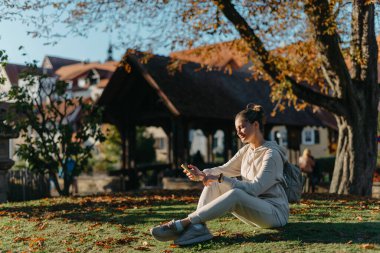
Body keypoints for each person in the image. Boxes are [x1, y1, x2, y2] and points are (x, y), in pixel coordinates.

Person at [150, 104, 289, 245]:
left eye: (241, 127)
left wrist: (219, 178)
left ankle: (186, 223)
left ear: (256, 125)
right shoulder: (246, 151)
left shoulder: (272, 154)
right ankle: (198, 228)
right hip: (254, 211)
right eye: (236, 129)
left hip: (275, 214)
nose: (238, 132)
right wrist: (202, 174)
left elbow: (255, 189)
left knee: (235, 193)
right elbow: (224, 169)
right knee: (214, 183)